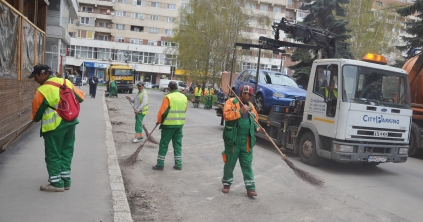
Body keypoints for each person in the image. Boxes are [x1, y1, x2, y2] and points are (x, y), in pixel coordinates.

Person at [29, 64, 85, 192]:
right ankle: (66, 181)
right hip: (71, 123)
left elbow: (36, 115)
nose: (35, 79)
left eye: (36, 76)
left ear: (43, 74)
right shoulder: (66, 82)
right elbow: (80, 98)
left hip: (54, 126)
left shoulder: (43, 90)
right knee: (66, 152)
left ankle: (56, 183)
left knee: (53, 154)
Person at [221, 85, 264, 197]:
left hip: (247, 141)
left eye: (250, 95)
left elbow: (255, 119)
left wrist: (258, 127)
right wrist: (240, 111)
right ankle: (226, 183)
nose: (249, 97)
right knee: (230, 162)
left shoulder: (251, 106)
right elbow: (226, 115)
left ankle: (250, 188)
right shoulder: (231, 102)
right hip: (233, 140)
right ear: (242, 93)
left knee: (247, 164)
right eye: (248, 94)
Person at [152, 81, 188, 171]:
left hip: (168, 125)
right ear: (176, 87)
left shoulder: (168, 97)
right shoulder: (184, 97)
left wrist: (159, 121)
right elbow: (185, 109)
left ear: (169, 89)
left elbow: (163, 111)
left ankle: (160, 164)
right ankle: (178, 164)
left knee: (164, 144)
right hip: (179, 125)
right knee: (177, 144)